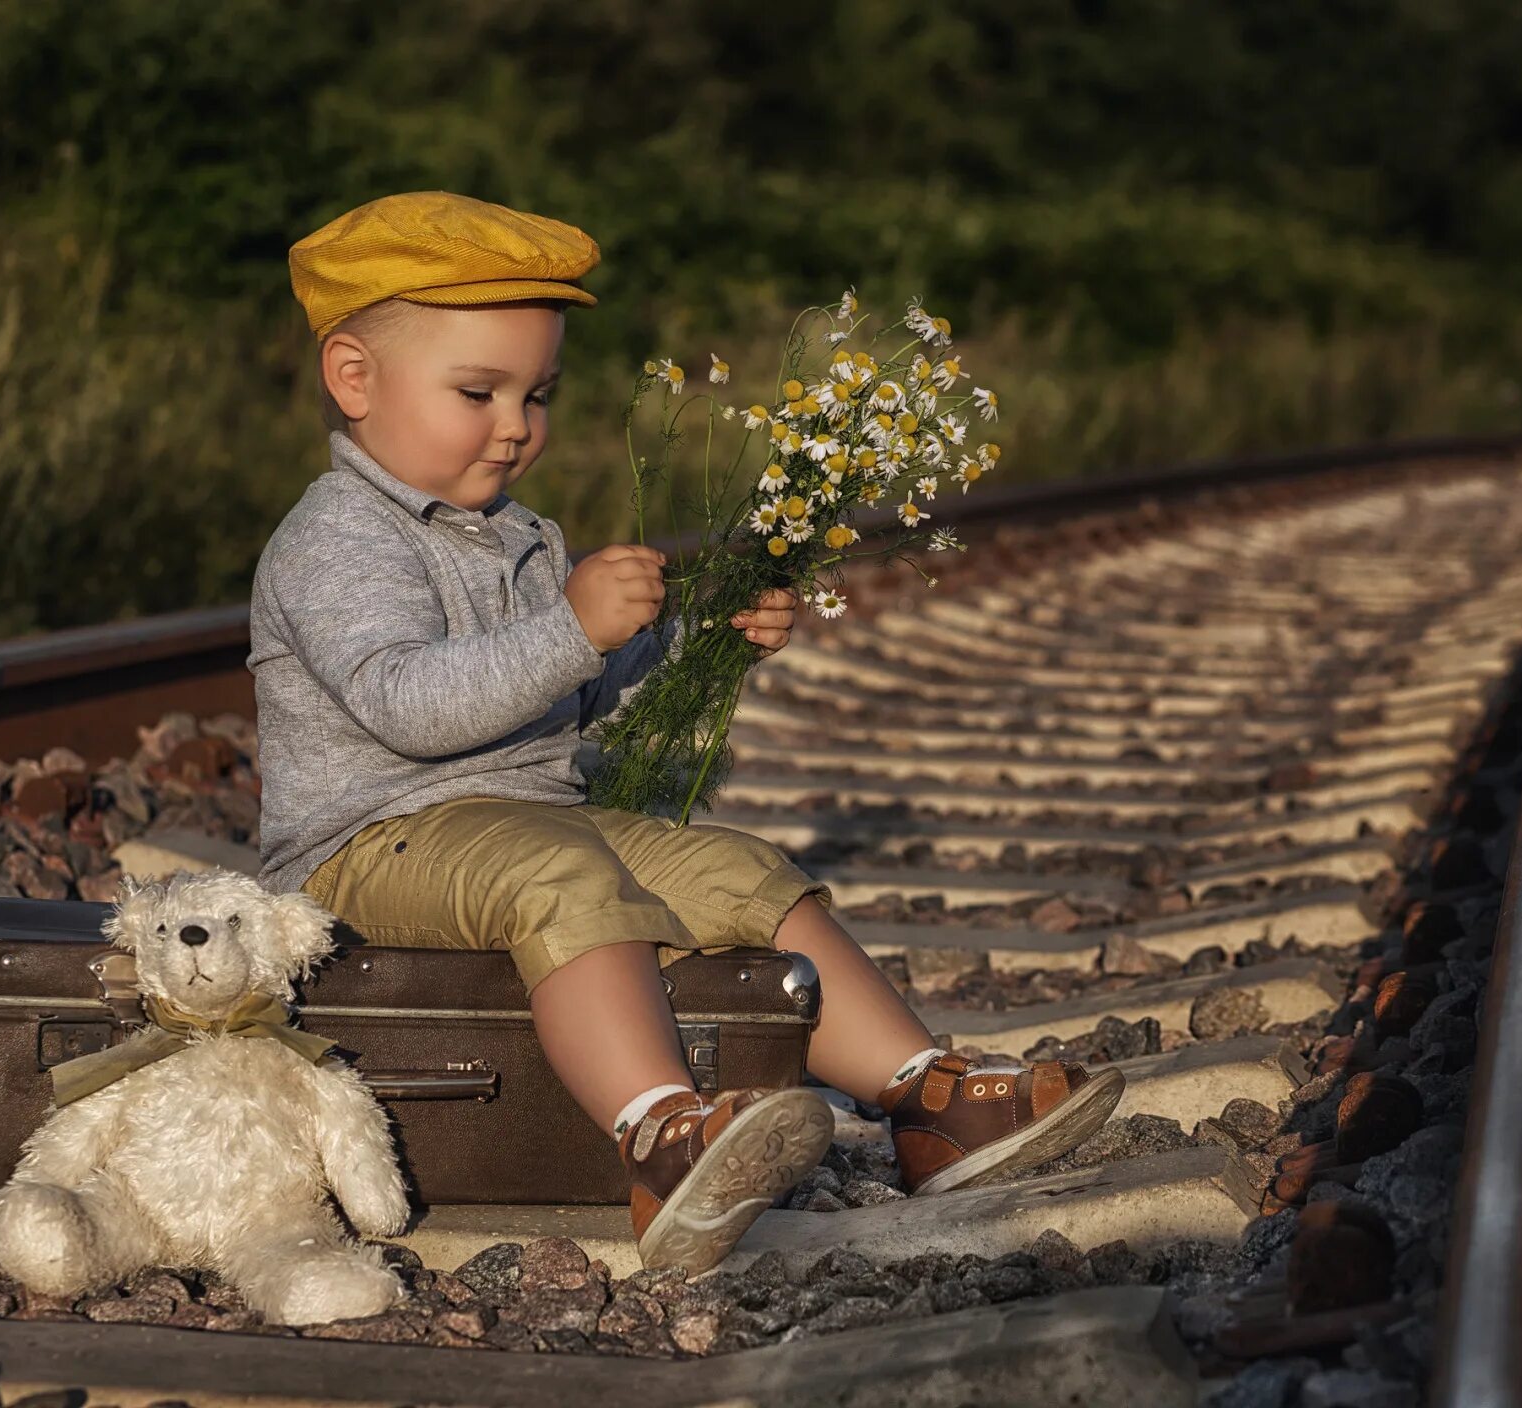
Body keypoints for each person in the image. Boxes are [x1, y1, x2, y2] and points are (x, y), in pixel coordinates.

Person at [248, 191, 1124, 1275]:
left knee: (737, 869)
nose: (517, 424)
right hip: (367, 844)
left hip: (514, 821)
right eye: (479, 392)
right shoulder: (336, 536)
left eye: (539, 394)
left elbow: (568, 703)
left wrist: (699, 638)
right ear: (354, 377)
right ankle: (663, 1136)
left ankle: (927, 1098)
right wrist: (571, 627)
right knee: (561, 867)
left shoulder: (521, 534)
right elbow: (409, 707)